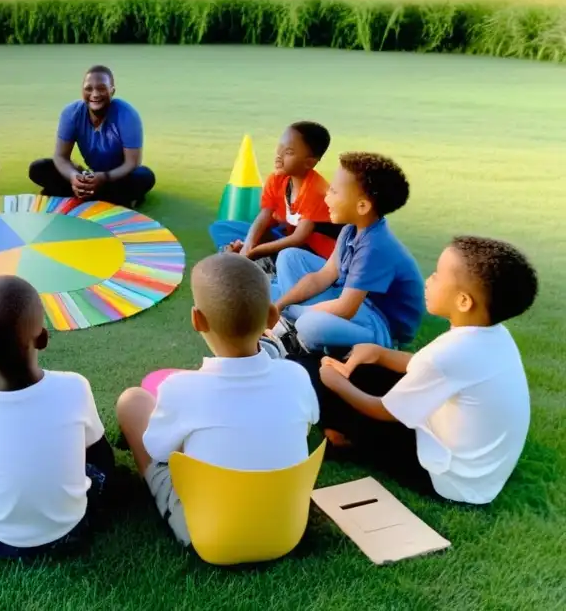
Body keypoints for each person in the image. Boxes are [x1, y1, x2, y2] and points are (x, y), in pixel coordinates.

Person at [315, 236, 538, 504]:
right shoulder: (493, 335)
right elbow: (427, 367)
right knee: (367, 368)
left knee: (346, 386)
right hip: (482, 473)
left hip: (449, 479)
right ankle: (347, 427)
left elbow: (383, 410)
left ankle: (343, 439)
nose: (429, 280)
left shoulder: (450, 353)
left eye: (437, 275)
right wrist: (380, 354)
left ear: (464, 301)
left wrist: (334, 383)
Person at [116, 253, 319, 547]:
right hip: (288, 530)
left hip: (209, 537)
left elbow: (158, 450)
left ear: (197, 320)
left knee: (132, 401)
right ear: (273, 317)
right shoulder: (297, 376)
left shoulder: (180, 388)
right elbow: (306, 425)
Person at [0, 275, 114, 559]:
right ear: (43, 338)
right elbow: (98, 452)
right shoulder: (74, 386)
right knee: (100, 468)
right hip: (72, 531)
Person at [272, 152, 425, 352]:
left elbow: (345, 308)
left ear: (362, 206)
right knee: (289, 257)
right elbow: (323, 276)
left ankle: (300, 333)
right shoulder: (351, 229)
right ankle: (292, 321)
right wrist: (281, 305)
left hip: (379, 324)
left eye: (334, 192)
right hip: (356, 303)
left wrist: (291, 311)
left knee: (309, 325)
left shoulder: (375, 247)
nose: (326, 197)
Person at [209, 122, 338, 271]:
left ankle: (260, 263)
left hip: (313, 251)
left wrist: (255, 251)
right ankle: (250, 257)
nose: (279, 156)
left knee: (288, 256)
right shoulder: (277, 180)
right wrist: (249, 245)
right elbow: (264, 217)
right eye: (279, 148)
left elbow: (298, 239)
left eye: (288, 152)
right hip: (285, 237)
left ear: (309, 162)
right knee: (220, 228)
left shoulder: (317, 191)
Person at [28, 65, 155, 208]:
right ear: (82, 91)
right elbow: (60, 157)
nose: (95, 94)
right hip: (90, 175)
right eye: (89, 89)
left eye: (101, 88)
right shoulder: (71, 113)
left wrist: (104, 177)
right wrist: (73, 177)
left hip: (117, 177)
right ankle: (90, 191)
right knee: (38, 168)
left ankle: (87, 193)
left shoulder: (127, 115)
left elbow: (132, 163)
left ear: (112, 91)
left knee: (144, 176)